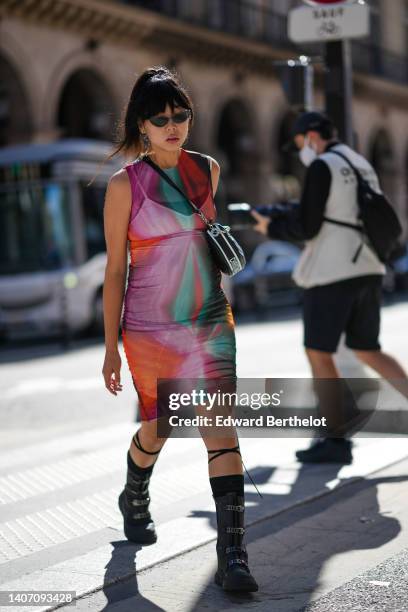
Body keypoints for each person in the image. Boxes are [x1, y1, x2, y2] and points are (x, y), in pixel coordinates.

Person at [101, 67, 258, 592]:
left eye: (181, 115)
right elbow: (114, 270)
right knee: (161, 426)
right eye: (161, 118)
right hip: (148, 329)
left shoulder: (206, 170)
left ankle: (233, 556)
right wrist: (109, 348)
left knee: (222, 431)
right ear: (141, 125)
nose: (173, 125)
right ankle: (135, 490)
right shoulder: (125, 185)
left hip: (209, 318)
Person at [251, 111, 408, 464]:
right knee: (368, 349)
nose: (300, 152)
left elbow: (308, 226)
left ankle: (335, 441)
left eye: (298, 145)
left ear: (310, 137)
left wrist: (270, 229)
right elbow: (333, 210)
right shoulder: (358, 162)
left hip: (333, 272)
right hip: (367, 266)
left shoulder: (322, 165)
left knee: (319, 353)